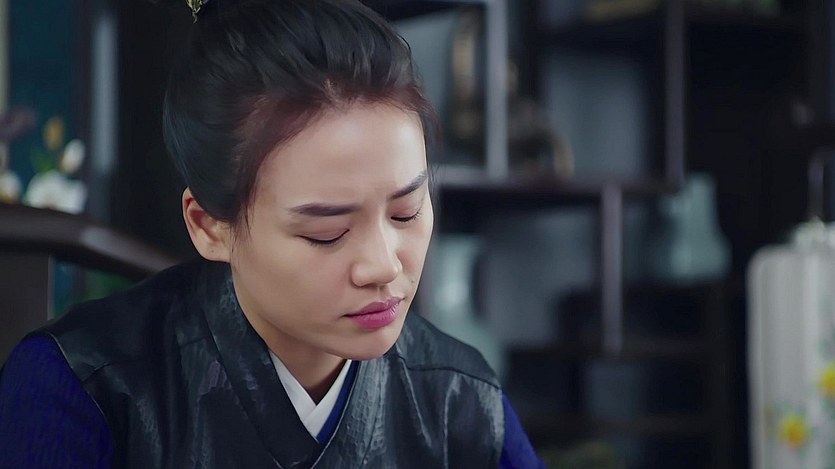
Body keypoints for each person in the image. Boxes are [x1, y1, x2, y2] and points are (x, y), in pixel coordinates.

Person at [0, 1, 544, 467]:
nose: (382, 265)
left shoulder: (457, 396)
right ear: (209, 226)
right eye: (328, 233)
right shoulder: (84, 385)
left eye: (406, 213)